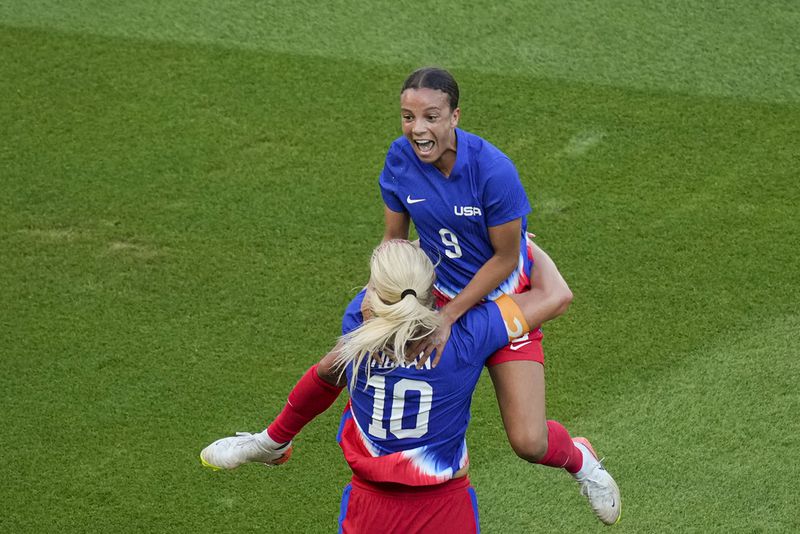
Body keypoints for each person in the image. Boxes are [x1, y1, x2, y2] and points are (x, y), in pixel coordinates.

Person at [201, 240, 620, 533]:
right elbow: (557, 294)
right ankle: (269, 443)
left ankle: (270, 443)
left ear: (376, 298)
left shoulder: (357, 324)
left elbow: (327, 374)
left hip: (369, 505)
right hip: (444, 504)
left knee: (331, 368)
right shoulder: (470, 332)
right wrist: (520, 246)